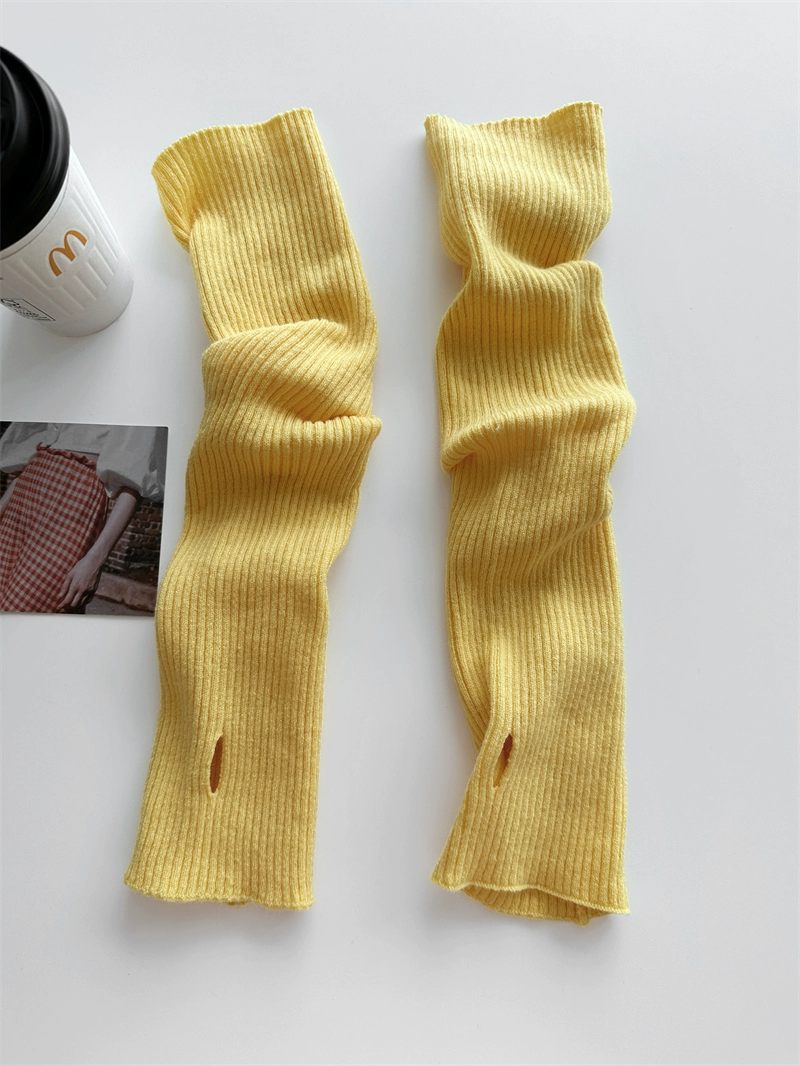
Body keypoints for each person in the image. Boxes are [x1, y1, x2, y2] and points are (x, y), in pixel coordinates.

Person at [0, 422, 166, 613]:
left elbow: (135, 481)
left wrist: (94, 562)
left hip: (72, 506)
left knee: (28, 614)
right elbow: (25, 464)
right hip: (20, 503)